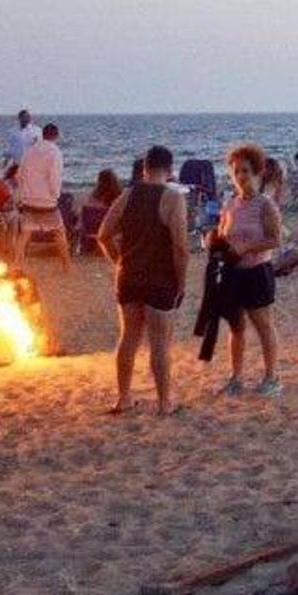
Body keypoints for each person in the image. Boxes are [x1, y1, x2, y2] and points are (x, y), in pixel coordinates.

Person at [98, 145, 189, 415]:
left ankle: (123, 398)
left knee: (128, 339)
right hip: (160, 280)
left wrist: (118, 261)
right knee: (159, 344)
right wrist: (181, 283)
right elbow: (180, 248)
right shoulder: (173, 198)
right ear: (171, 170)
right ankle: (164, 403)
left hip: (129, 278)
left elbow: (103, 234)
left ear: (145, 168)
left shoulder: (128, 194)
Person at [216, 143, 283, 396]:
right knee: (236, 326)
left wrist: (246, 248)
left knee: (263, 324)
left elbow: (275, 239)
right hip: (233, 273)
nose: (240, 176)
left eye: (245, 171)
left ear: (257, 173)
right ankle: (236, 377)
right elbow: (223, 233)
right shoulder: (231, 203)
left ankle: (271, 377)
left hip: (257, 271)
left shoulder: (265, 204)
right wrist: (218, 242)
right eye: (236, 171)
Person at [13, 123, 69, 271]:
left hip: (29, 199)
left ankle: (16, 264)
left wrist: (24, 194)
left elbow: (19, 175)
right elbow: (54, 177)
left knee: (24, 234)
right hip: (47, 201)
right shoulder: (55, 152)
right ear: (56, 136)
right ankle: (66, 265)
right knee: (59, 232)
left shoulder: (29, 151)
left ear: (43, 134)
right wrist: (55, 195)